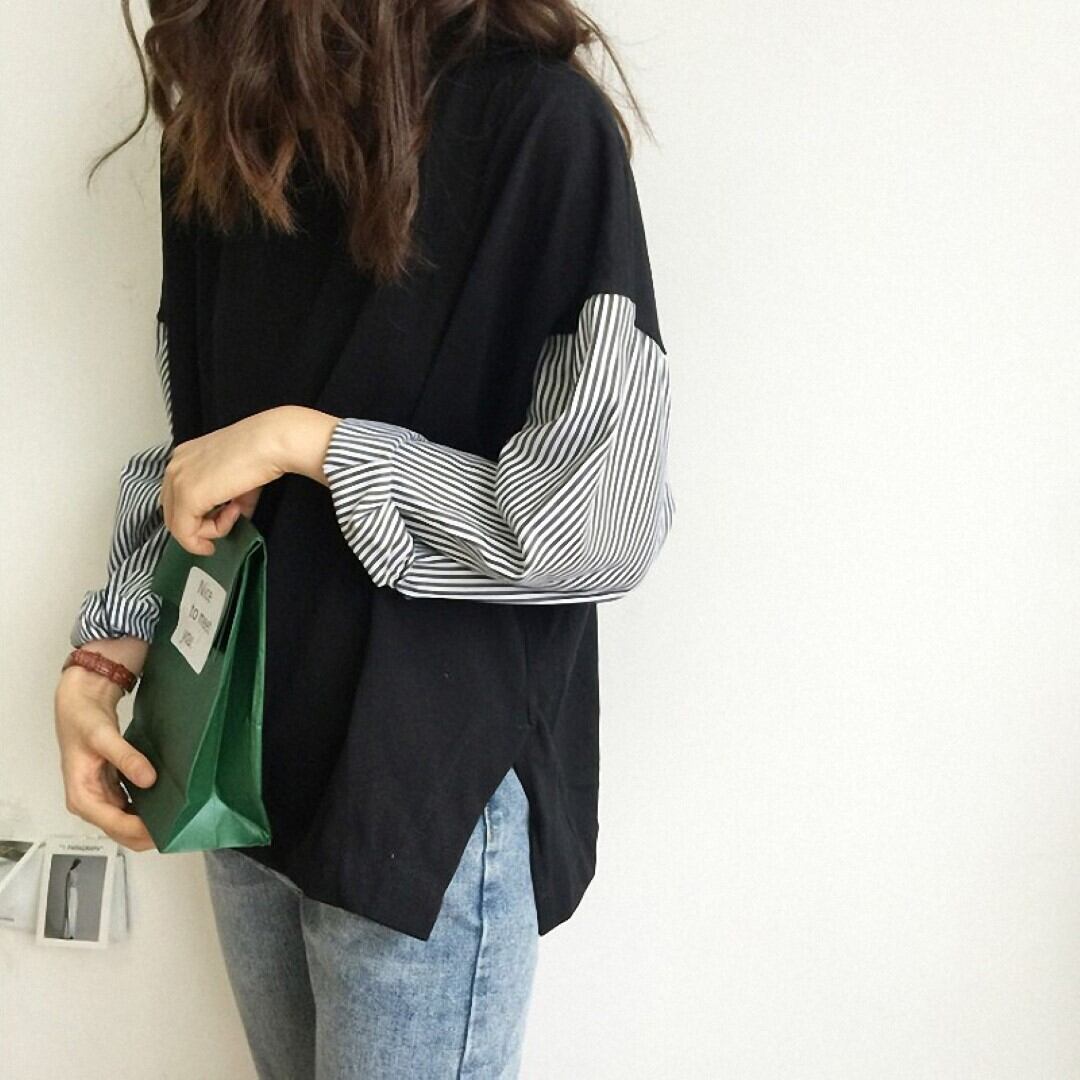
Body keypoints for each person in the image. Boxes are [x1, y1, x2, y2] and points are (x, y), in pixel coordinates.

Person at [53, 3, 675, 1077]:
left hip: (426, 791)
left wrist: (314, 445)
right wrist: (110, 651)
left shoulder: (541, 129)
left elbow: (596, 521)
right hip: (240, 755)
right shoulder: (228, 124)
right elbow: (197, 451)